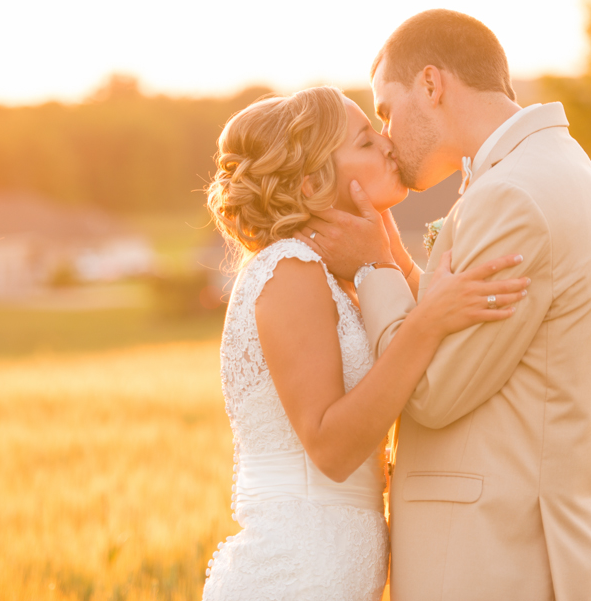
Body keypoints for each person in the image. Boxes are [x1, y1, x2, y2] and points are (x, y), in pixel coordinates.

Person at [297, 9, 591, 600]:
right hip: (528, 546)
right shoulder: (561, 172)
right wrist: (398, 257)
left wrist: (374, 266)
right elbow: (471, 334)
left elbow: (431, 390)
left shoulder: (513, 197)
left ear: (431, 84)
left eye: (386, 110)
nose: (387, 137)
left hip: (492, 557)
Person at [201, 85, 529, 600]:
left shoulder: (331, 276)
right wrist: (427, 324)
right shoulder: (290, 271)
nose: (388, 145)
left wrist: (392, 257)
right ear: (312, 184)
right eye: (364, 141)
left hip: (331, 572)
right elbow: (331, 447)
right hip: (294, 576)